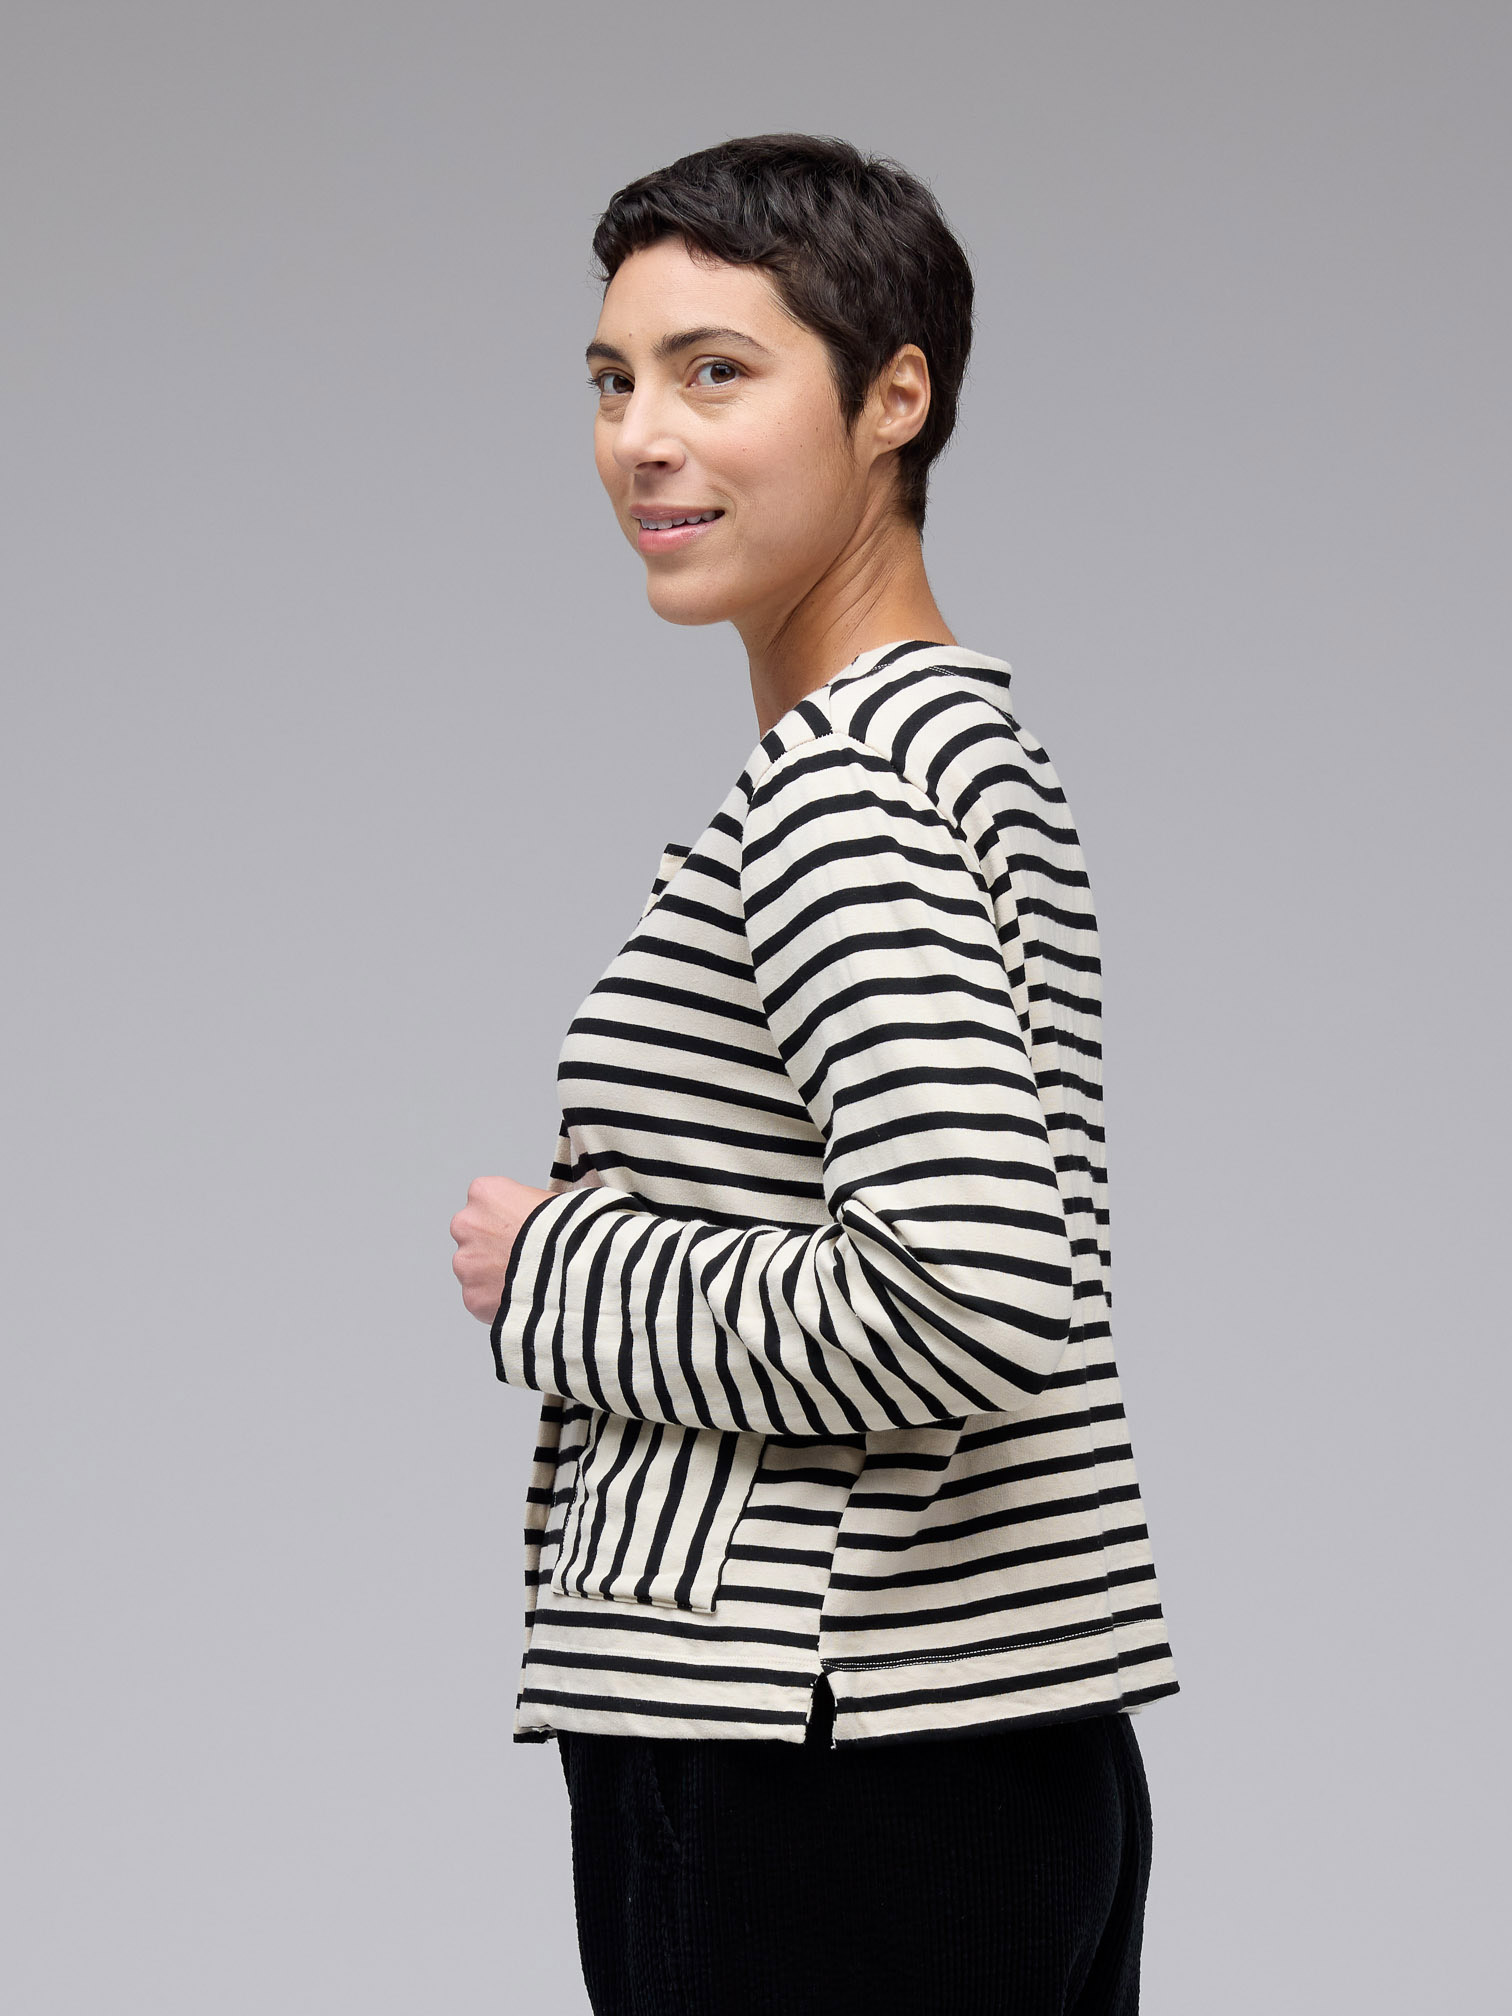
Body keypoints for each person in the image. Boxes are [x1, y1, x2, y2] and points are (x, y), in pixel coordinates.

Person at [450, 133, 1179, 2016]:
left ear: (894, 399)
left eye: (716, 372)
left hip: (819, 1741)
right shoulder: (953, 759)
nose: (643, 440)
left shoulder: (848, 797)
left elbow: (969, 1292)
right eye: (612, 381)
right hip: (959, 1733)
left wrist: (560, 1271)